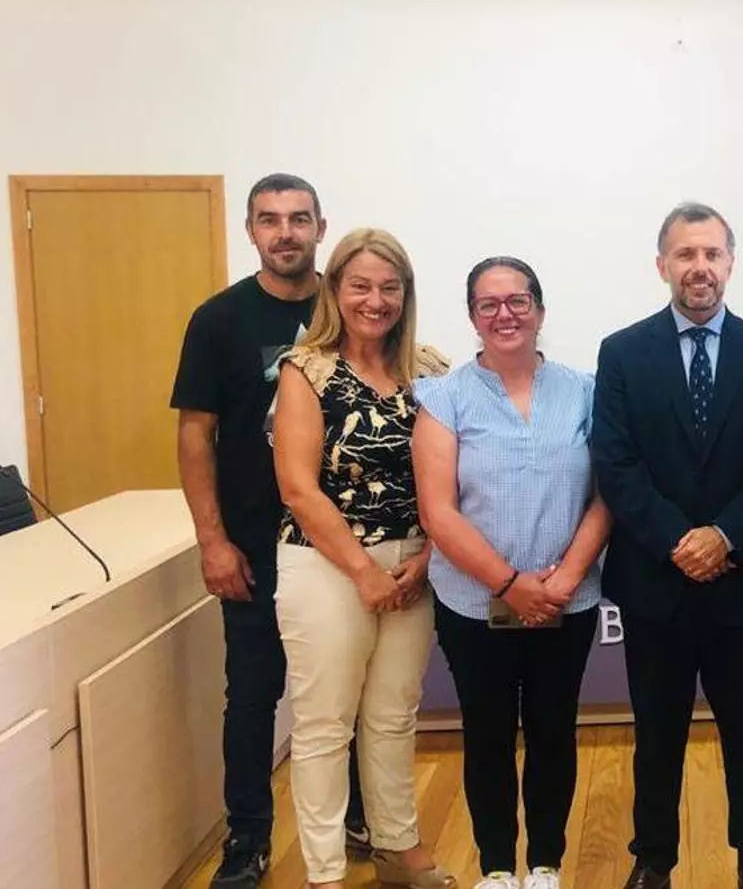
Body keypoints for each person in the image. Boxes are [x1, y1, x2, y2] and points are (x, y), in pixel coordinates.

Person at [591, 202, 743, 889]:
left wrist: (724, 536)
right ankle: (653, 859)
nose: (699, 267)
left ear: (731, 263)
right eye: (685, 254)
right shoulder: (622, 353)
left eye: (712, 253)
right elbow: (616, 464)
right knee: (657, 732)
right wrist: (678, 541)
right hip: (656, 581)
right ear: (662, 265)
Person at [169, 173, 371, 889]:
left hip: (340, 541)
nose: (285, 232)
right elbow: (196, 436)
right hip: (254, 545)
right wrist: (212, 541)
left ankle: (359, 817)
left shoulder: (352, 307)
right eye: (270, 219)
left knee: (350, 688)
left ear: (321, 227)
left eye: (298, 218)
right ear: (250, 231)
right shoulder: (218, 320)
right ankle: (249, 837)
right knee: (254, 697)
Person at [411, 257, 611, 889]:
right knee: (488, 735)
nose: (505, 314)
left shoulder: (585, 391)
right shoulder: (443, 397)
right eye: (489, 304)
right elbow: (438, 511)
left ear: (540, 311)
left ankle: (545, 863)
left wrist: (566, 578)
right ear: (472, 317)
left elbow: (608, 495)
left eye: (518, 301)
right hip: (473, 603)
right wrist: (509, 584)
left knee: (554, 732)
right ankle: (497, 867)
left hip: (566, 601)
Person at [271, 227, 455, 889]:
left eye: (389, 287)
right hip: (328, 565)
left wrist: (428, 555)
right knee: (325, 725)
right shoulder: (306, 370)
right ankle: (324, 872)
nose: (375, 301)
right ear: (334, 290)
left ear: (406, 294)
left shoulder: (430, 371)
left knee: (393, 716)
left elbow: (453, 476)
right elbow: (297, 487)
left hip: (414, 566)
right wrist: (363, 571)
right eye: (360, 286)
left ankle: (397, 848)